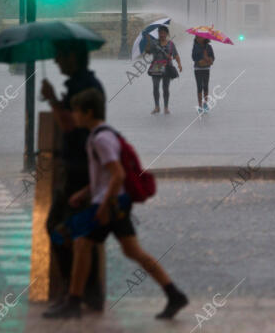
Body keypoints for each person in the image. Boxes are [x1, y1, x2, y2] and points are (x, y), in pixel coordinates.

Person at [43, 88, 188, 319]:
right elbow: (106, 175)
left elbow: (118, 174)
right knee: (131, 251)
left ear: (88, 112)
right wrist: (85, 192)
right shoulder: (100, 135)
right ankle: (173, 294)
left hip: (110, 204)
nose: (75, 116)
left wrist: (102, 206)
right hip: (114, 202)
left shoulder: (101, 139)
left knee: (80, 243)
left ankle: (73, 302)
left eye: (77, 112)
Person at [40, 40, 105, 312]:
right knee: (78, 234)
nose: (56, 62)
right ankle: (85, 294)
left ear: (73, 57)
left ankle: (74, 295)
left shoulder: (83, 88)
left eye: (60, 56)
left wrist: (53, 98)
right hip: (79, 168)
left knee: (59, 228)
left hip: (80, 171)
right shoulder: (82, 84)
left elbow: (68, 125)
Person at [146, 25, 182, 115]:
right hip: (156, 66)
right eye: (160, 33)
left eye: (163, 33)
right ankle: (157, 107)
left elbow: (176, 55)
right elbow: (147, 51)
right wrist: (148, 42)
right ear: (158, 33)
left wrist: (179, 64)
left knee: (165, 88)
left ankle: (166, 107)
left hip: (167, 66)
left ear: (167, 34)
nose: (162, 35)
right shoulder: (154, 43)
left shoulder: (170, 44)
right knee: (155, 86)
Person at [191, 36, 215, 114]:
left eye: (200, 37)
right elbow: (194, 57)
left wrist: (207, 58)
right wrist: (202, 57)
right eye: (197, 37)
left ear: (204, 38)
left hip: (206, 69)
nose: (199, 39)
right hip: (198, 69)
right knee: (199, 87)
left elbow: (213, 57)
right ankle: (200, 105)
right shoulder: (195, 47)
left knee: (205, 86)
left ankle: (205, 104)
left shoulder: (209, 47)